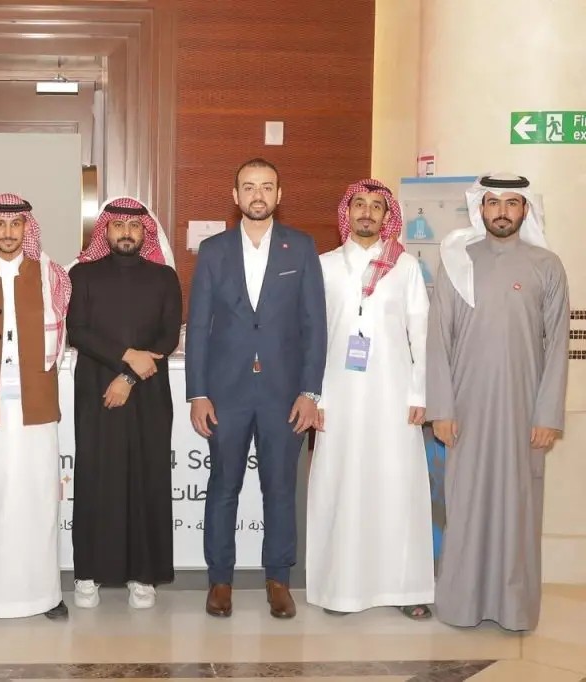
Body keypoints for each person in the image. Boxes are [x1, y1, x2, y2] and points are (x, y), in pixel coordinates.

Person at [426, 173, 569, 631]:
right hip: (466, 409)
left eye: (511, 202)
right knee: (466, 506)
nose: (502, 211)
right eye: (493, 202)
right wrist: (442, 408)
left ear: (525, 210)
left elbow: (557, 346)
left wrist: (548, 414)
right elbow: (438, 340)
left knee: (517, 509)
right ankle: (461, 605)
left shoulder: (547, 266)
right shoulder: (457, 262)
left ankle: (514, 609)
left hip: (524, 411)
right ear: (480, 209)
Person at [185, 158, 327, 619]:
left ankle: (278, 580)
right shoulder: (213, 250)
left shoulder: (300, 248)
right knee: (223, 486)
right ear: (235, 196)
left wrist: (310, 392)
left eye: (267, 186)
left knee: (280, 489)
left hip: (284, 395)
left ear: (279, 195)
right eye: (249, 187)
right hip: (225, 393)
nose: (258, 195)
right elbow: (198, 326)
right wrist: (197, 393)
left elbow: (315, 325)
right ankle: (220, 581)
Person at [307, 179, 434, 619]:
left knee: (397, 486)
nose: (366, 212)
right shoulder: (323, 266)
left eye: (376, 206)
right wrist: (315, 397)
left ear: (386, 216)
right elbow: (311, 338)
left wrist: (419, 392)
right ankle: (341, 589)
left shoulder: (406, 267)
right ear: (347, 213)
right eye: (358, 204)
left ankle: (406, 588)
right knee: (341, 485)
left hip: (394, 395)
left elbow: (421, 334)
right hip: (337, 395)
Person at [0, 192, 71, 620]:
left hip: (35, 409)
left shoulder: (49, 277)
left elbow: (60, 344)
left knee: (38, 500)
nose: (7, 233)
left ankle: (44, 596)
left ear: (27, 228)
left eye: (16, 224)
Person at [67, 197, 181, 609]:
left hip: (148, 392)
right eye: (118, 226)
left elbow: (168, 336)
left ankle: (143, 575)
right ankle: (88, 574)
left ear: (145, 233)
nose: (127, 233)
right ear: (106, 231)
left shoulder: (164, 277)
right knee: (97, 477)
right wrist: (126, 357)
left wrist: (129, 375)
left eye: (134, 227)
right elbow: (77, 331)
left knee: (147, 479)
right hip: (97, 392)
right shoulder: (82, 275)